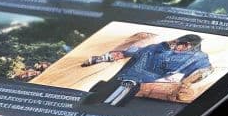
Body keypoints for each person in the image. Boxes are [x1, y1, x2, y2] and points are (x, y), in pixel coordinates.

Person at [80, 33, 213, 105]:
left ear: (190, 46)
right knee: (140, 55)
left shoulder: (199, 57)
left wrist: (189, 81)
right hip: (138, 68)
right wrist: (103, 58)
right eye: (178, 43)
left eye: (183, 45)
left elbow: (206, 69)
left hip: (154, 76)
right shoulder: (163, 47)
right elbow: (138, 51)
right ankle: (104, 62)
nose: (178, 47)